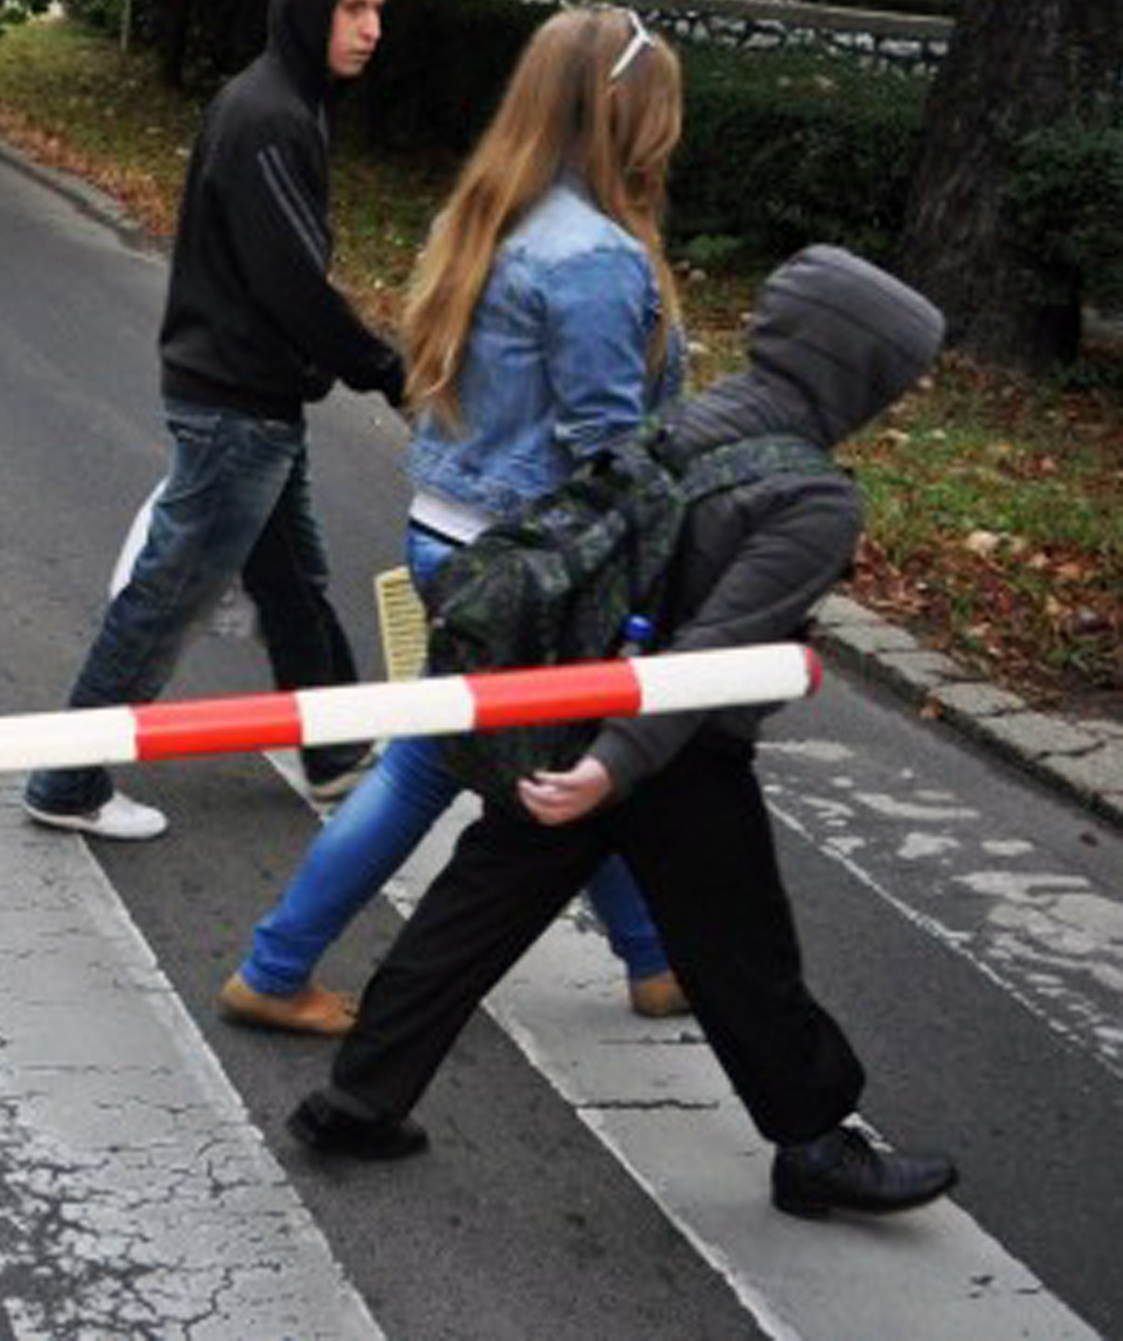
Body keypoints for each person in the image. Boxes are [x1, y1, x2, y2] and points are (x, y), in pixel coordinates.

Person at [288, 247, 961, 1221]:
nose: (909, 389)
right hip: (669, 747)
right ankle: (815, 1146)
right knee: (742, 941)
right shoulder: (811, 496)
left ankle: (358, 1098)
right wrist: (614, 765)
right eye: (904, 370)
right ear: (855, 369)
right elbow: (713, 648)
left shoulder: (694, 419)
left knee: (475, 904)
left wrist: (588, 749)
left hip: (571, 699)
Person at [218, 7, 691, 1037]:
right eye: (661, 109)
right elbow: (609, 450)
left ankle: (655, 959)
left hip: (450, 529)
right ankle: (276, 962)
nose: (670, 131)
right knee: (436, 766)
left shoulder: (482, 214)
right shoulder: (595, 255)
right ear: (621, 111)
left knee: (571, 758)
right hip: (529, 562)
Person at [23, 0, 404, 842]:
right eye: (353, 9)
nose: (371, 29)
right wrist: (385, 371)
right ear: (310, 8)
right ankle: (68, 781)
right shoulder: (270, 113)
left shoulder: (290, 102)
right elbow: (288, 284)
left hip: (252, 399)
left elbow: (279, 273)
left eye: (379, 11)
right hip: (236, 405)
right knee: (169, 593)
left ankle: (336, 752)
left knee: (296, 584)